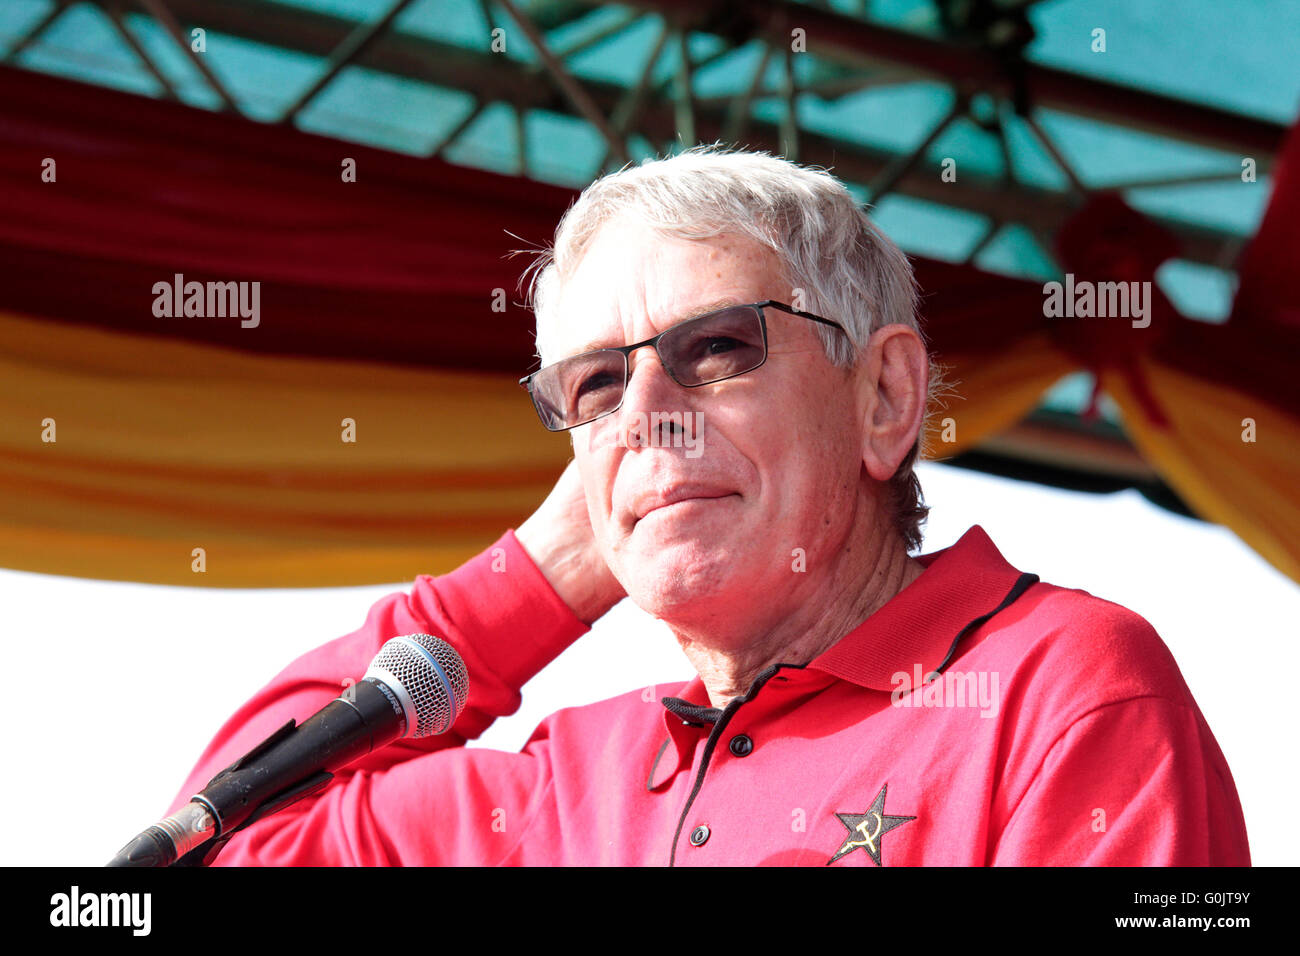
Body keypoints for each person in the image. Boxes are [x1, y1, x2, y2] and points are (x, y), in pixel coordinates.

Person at [167, 147, 1249, 866]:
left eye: (717, 348)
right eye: (595, 383)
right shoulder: (563, 789)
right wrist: (546, 565)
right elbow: (216, 841)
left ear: (883, 396)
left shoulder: (1057, 686)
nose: (646, 413)